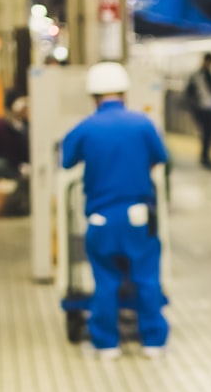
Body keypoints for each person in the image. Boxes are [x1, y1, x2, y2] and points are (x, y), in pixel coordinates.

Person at [61, 62, 169, 360]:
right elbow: (160, 157)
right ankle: (153, 342)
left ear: (93, 96)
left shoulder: (85, 128)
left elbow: (67, 161)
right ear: (124, 92)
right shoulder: (143, 124)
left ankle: (107, 344)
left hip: (100, 219)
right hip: (138, 217)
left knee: (105, 282)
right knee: (146, 278)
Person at [186, 52, 211, 170]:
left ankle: (205, 157)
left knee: (207, 135)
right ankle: (205, 158)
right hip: (206, 109)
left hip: (205, 109)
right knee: (207, 135)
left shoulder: (198, 75)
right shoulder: (204, 76)